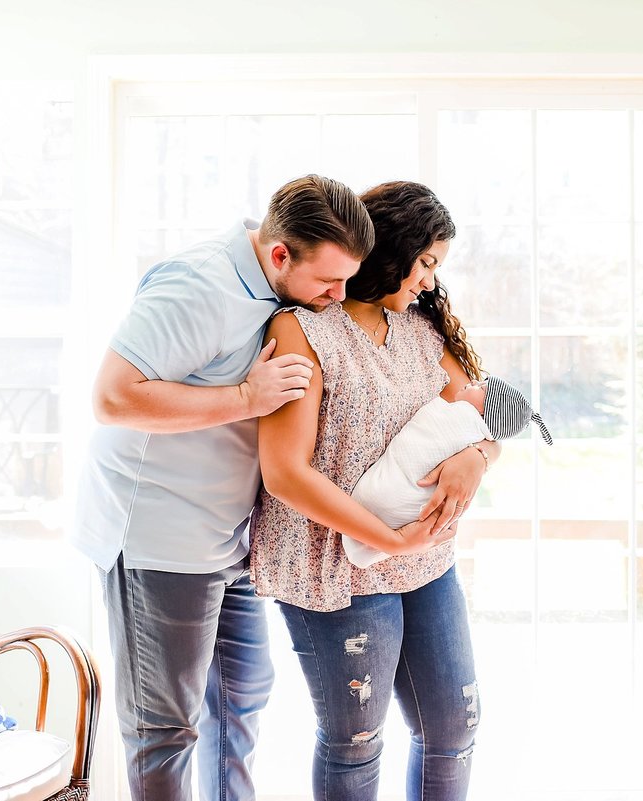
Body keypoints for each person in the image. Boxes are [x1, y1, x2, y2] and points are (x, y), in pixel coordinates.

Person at [70, 174, 375, 801]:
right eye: (329, 281)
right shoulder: (198, 286)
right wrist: (244, 397)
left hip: (228, 537)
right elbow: (111, 397)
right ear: (281, 253)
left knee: (242, 693)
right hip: (161, 535)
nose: (339, 296)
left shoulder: (279, 288)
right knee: (166, 726)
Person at [252, 180, 496, 801]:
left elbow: (486, 414)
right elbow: (284, 472)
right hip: (334, 569)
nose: (431, 281)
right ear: (395, 251)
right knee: (355, 743)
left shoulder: (418, 331)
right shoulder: (302, 330)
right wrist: (386, 538)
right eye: (427, 263)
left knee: (454, 725)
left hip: (426, 559)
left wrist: (477, 458)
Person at [344, 375, 553, 568]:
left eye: (481, 387)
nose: (473, 382)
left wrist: (479, 455)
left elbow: (489, 445)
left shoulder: (464, 418)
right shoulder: (473, 428)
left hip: (427, 558)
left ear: (485, 411)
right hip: (404, 546)